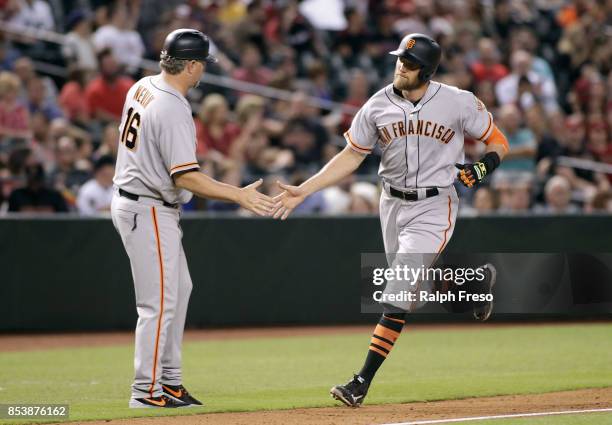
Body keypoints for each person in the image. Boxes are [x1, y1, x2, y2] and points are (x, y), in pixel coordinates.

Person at [272, 33, 509, 407]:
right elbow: (351, 156)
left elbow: (498, 142)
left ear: (427, 71)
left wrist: (482, 167)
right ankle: (475, 286)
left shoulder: (457, 101)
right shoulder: (377, 104)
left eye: (410, 63)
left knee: (397, 292)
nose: (401, 65)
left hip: (435, 205)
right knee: (414, 294)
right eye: (400, 58)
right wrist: (306, 189)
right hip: (392, 205)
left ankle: (360, 382)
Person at [110, 28, 275, 409]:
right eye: (202, 64)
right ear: (193, 65)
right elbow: (184, 176)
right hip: (147, 205)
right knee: (157, 304)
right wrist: (239, 195)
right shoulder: (171, 105)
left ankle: (169, 382)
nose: (203, 71)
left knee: (178, 291)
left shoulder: (143, 84)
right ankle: (146, 391)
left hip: (141, 200)